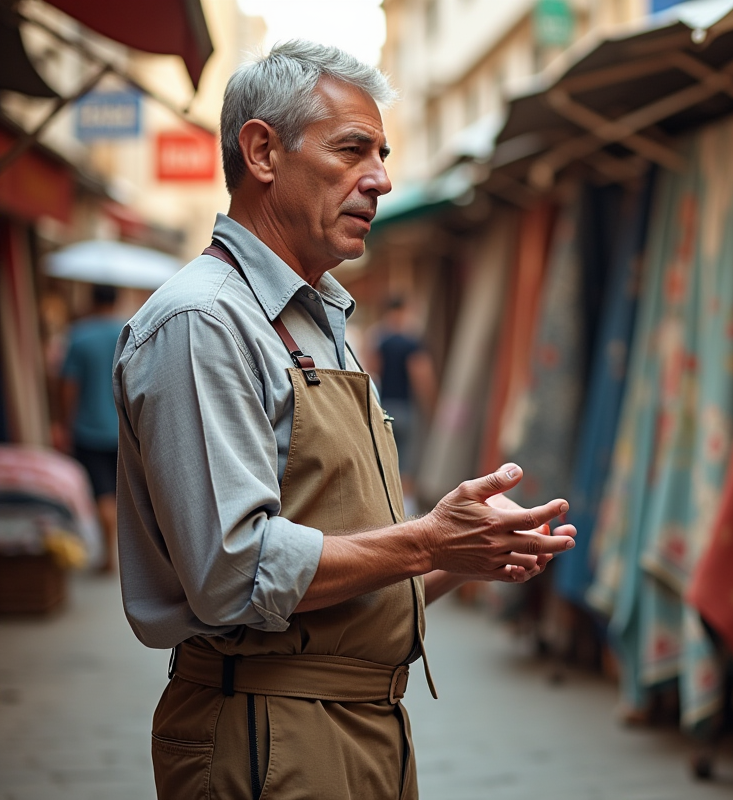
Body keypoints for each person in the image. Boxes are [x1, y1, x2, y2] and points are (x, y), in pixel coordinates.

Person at [112, 41, 576, 800]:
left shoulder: (322, 320)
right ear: (262, 151)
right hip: (269, 735)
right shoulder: (204, 322)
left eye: (383, 154)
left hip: (361, 727)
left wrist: (456, 555)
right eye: (353, 149)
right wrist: (426, 537)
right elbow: (235, 574)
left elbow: (347, 569)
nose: (381, 180)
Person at [60, 283, 123, 571]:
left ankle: (109, 556)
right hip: (124, 427)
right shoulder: (129, 331)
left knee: (103, 494)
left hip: (89, 429)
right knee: (123, 491)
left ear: (91, 300)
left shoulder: (79, 336)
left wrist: (63, 422)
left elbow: (69, 386)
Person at [373, 294, 437, 512]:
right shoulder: (411, 343)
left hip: (383, 408)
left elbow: (371, 371)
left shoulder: (380, 341)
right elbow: (421, 377)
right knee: (407, 464)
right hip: (406, 409)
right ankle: (406, 514)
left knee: (385, 461)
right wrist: (431, 406)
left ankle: (386, 509)